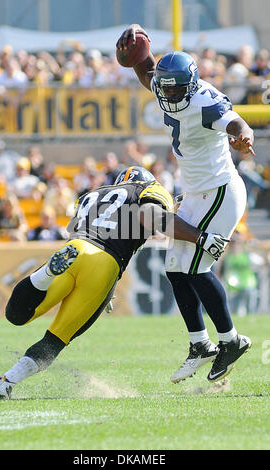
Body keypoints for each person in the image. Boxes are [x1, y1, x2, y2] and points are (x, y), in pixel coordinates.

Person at [0, 166, 228, 399]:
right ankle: (7, 381)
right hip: (105, 264)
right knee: (56, 339)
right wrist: (200, 237)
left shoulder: (92, 194)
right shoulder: (148, 189)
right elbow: (153, 216)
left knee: (17, 315)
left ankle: (45, 274)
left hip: (75, 247)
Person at [117, 24, 254, 383]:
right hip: (197, 192)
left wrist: (243, 136)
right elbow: (150, 75)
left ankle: (231, 340)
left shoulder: (204, 101)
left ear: (191, 86)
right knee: (175, 268)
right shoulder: (166, 85)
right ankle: (201, 344)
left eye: (177, 87)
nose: (170, 92)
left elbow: (235, 120)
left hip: (220, 191)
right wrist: (138, 52)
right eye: (167, 86)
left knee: (196, 267)